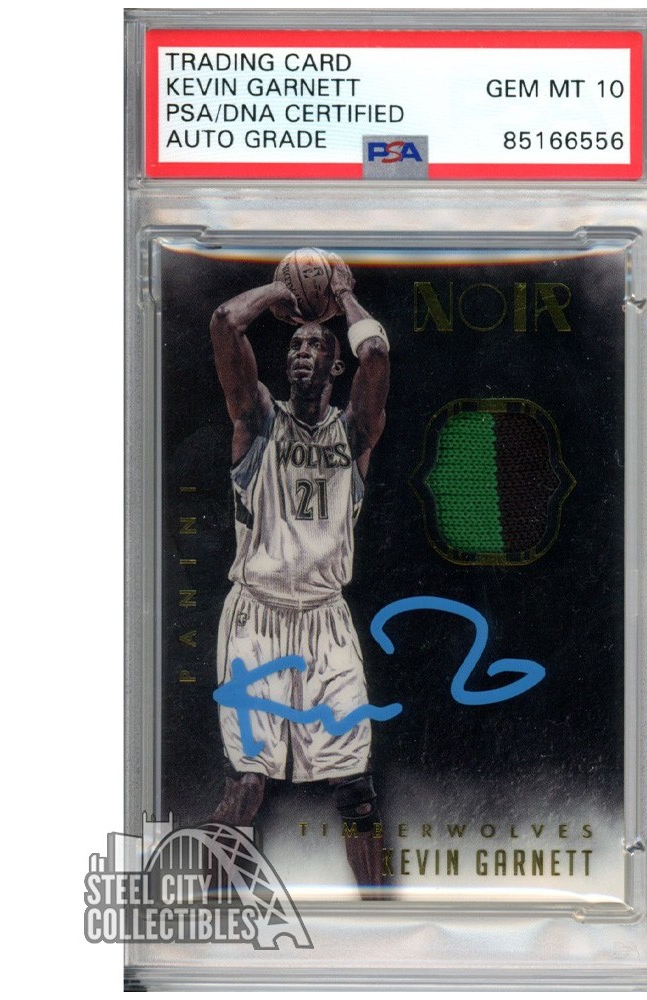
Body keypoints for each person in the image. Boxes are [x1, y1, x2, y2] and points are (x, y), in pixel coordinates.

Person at [207, 254, 390, 893]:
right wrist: (279, 290)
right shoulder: (257, 421)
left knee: (357, 793)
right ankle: (203, 912)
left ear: (335, 366)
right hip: (256, 618)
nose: (303, 354)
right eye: (295, 347)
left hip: (325, 621)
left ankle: (382, 918)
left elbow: (376, 356)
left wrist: (343, 293)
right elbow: (225, 322)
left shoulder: (355, 431)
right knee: (247, 784)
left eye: (316, 346)